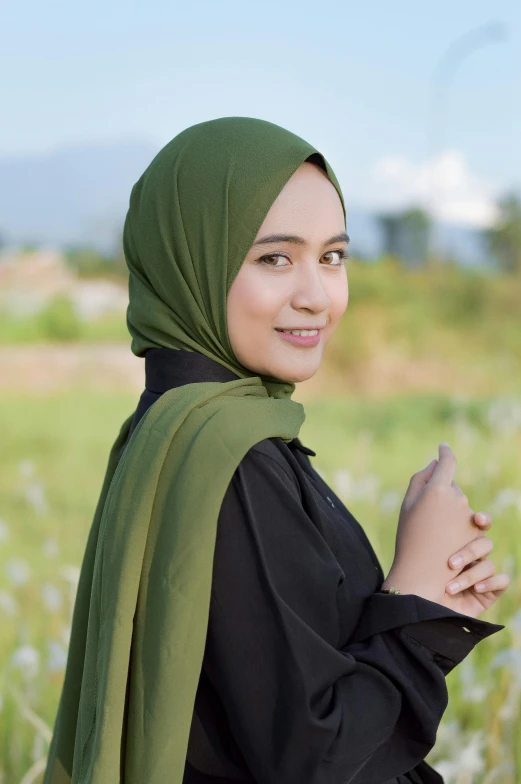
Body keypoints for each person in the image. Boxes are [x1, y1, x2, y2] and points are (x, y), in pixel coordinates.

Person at [43, 117, 510, 784]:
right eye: (273, 258)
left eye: (332, 256)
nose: (316, 296)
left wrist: (433, 605)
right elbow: (313, 759)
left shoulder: (173, 430)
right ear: (189, 261)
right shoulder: (233, 456)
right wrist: (411, 594)